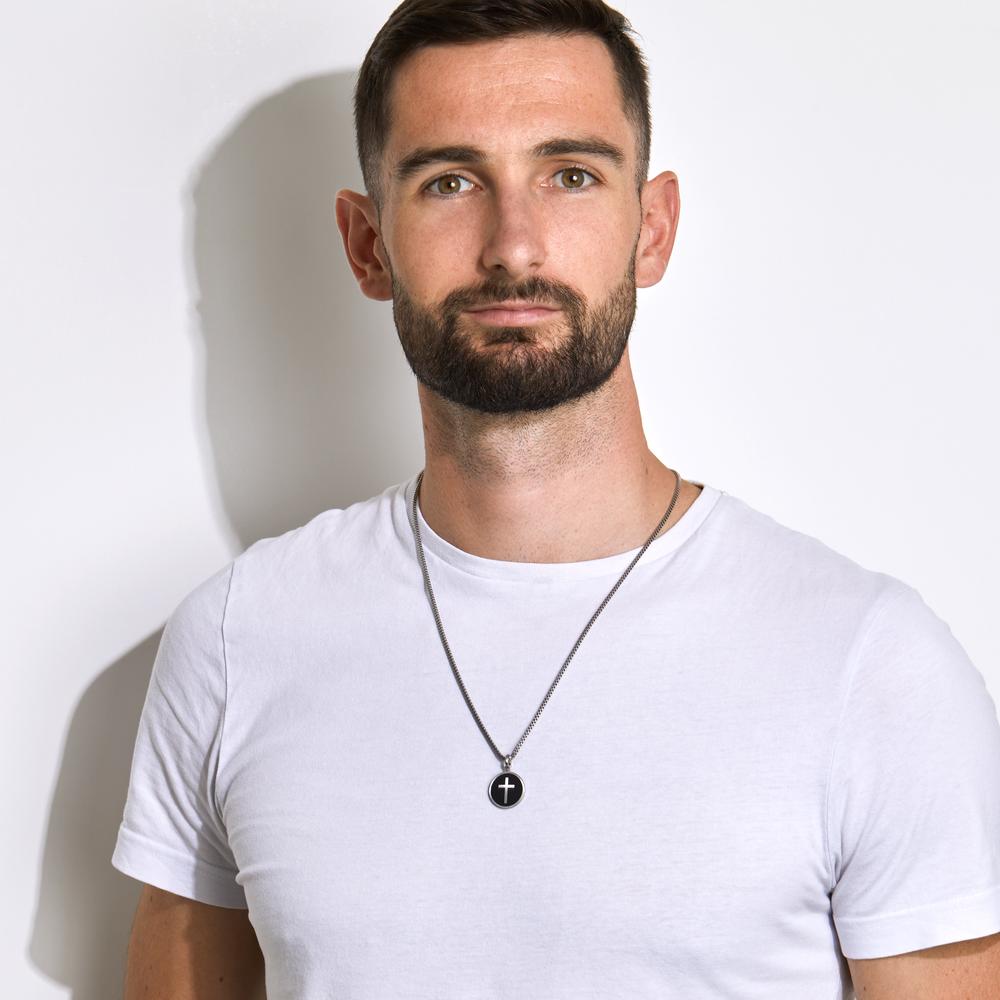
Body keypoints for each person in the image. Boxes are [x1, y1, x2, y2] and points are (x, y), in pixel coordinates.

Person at [112, 1, 1000, 996]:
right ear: (367, 245)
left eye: (570, 174)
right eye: (450, 181)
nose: (515, 245)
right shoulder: (237, 637)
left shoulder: (867, 663)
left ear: (651, 228)